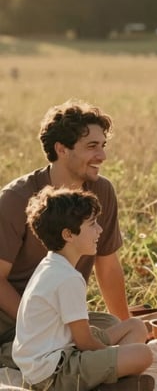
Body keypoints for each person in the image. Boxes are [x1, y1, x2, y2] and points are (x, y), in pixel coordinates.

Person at [0, 99, 143, 367]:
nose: (102, 156)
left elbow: (108, 266)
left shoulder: (102, 192)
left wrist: (125, 326)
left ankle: (80, 361)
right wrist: (38, 327)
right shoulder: (15, 198)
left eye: (103, 146)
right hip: (12, 322)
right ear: (61, 149)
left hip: (63, 318)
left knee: (116, 325)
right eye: (92, 147)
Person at [12, 186, 154, 391]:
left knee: (134, 325)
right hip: (53, 373)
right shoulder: (67, 278)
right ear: (68, 234)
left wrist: (112, 353)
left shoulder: (52, 263)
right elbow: (84, 342)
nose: (99, 230)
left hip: (56, 351)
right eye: (92, 224)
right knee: (143, 354)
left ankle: (111, 378)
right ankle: (103, 386)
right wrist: (112, 354)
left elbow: (79, 335)